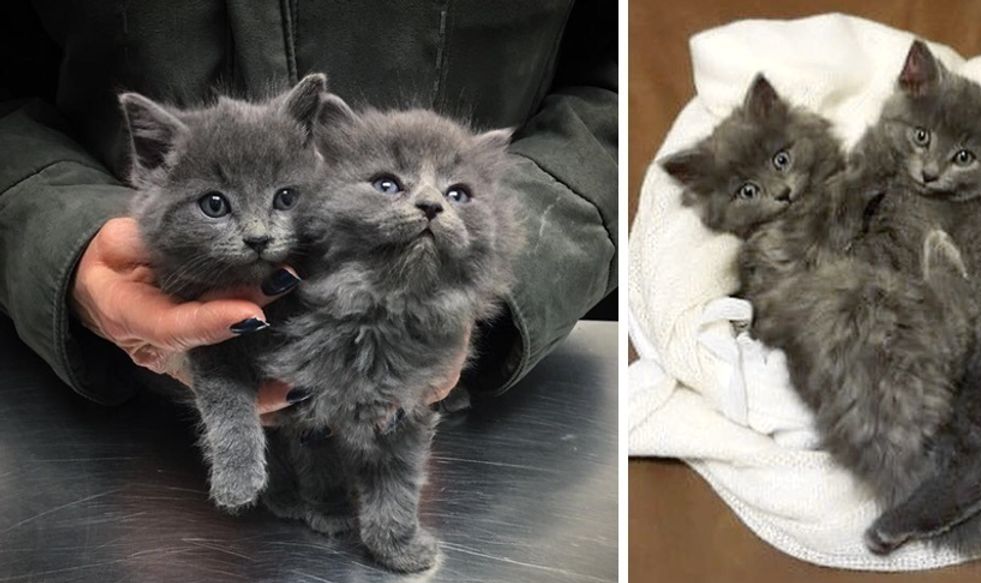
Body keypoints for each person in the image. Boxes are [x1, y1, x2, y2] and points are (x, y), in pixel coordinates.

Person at [0, 1, 617, 413]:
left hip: (450, 395)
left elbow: (615, 85)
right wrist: (59, 240)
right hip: (112, 396)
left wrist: (486, 282)